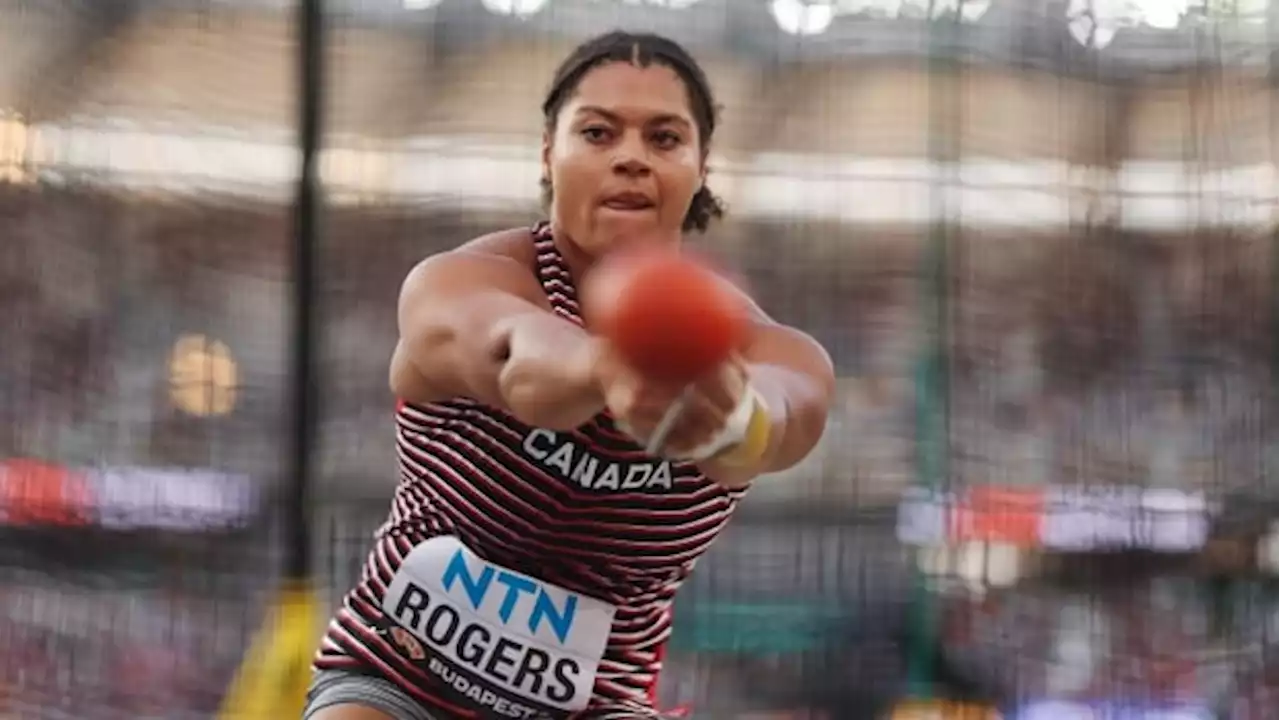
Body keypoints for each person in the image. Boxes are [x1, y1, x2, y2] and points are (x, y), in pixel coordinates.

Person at [304, 30, 835, 720]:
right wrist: (611, 369)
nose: (632, 159)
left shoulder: (771, 348)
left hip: (599, 706)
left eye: (665, 139)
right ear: (549, 154)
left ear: (702, 166)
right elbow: (518, 359)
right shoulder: (459, 281)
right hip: (397, 678)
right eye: (598, 132)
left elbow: (783, 420)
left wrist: (729, 418)